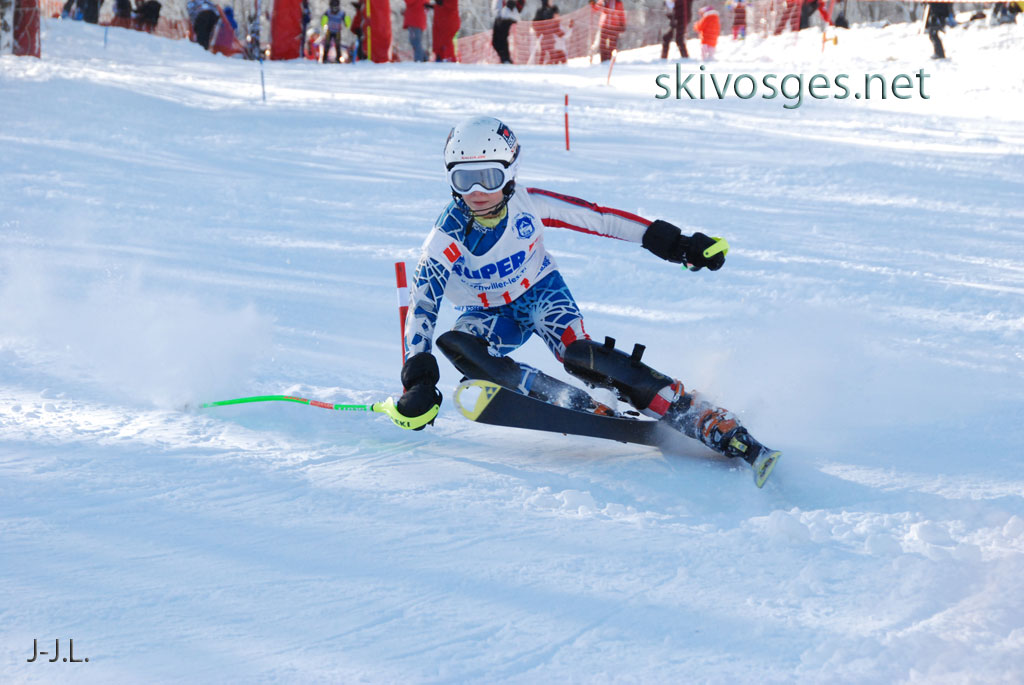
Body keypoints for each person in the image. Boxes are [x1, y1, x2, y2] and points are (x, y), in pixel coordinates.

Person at [395, 116, 780, 486]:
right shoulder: (445, 238)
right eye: (463, 180)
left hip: (541, 293)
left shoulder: (530, 205)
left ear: (510, 174)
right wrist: (419, 381)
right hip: (488, 313)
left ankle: (698, 414)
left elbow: (601, 218)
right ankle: (565, 399)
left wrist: (676, 243)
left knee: (580, 356)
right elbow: (423, 306)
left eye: (489, 178)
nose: (476, 192)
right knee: (457, 344)